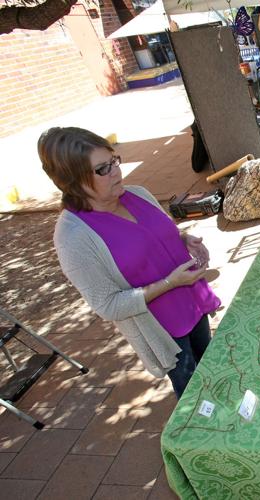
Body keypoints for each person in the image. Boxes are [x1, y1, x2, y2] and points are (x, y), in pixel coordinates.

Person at [39, 127, 221, 399]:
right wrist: (170, 283)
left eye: (114, 160)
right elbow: (109, 305)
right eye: (102, 169)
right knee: (194, 393)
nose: (116, 171)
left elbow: (150, 236)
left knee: (214, 369)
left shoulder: (137, 193)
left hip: (192, 302)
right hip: (164, 328)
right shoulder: (73, 239)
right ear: (73, 181)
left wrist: (182, 238)